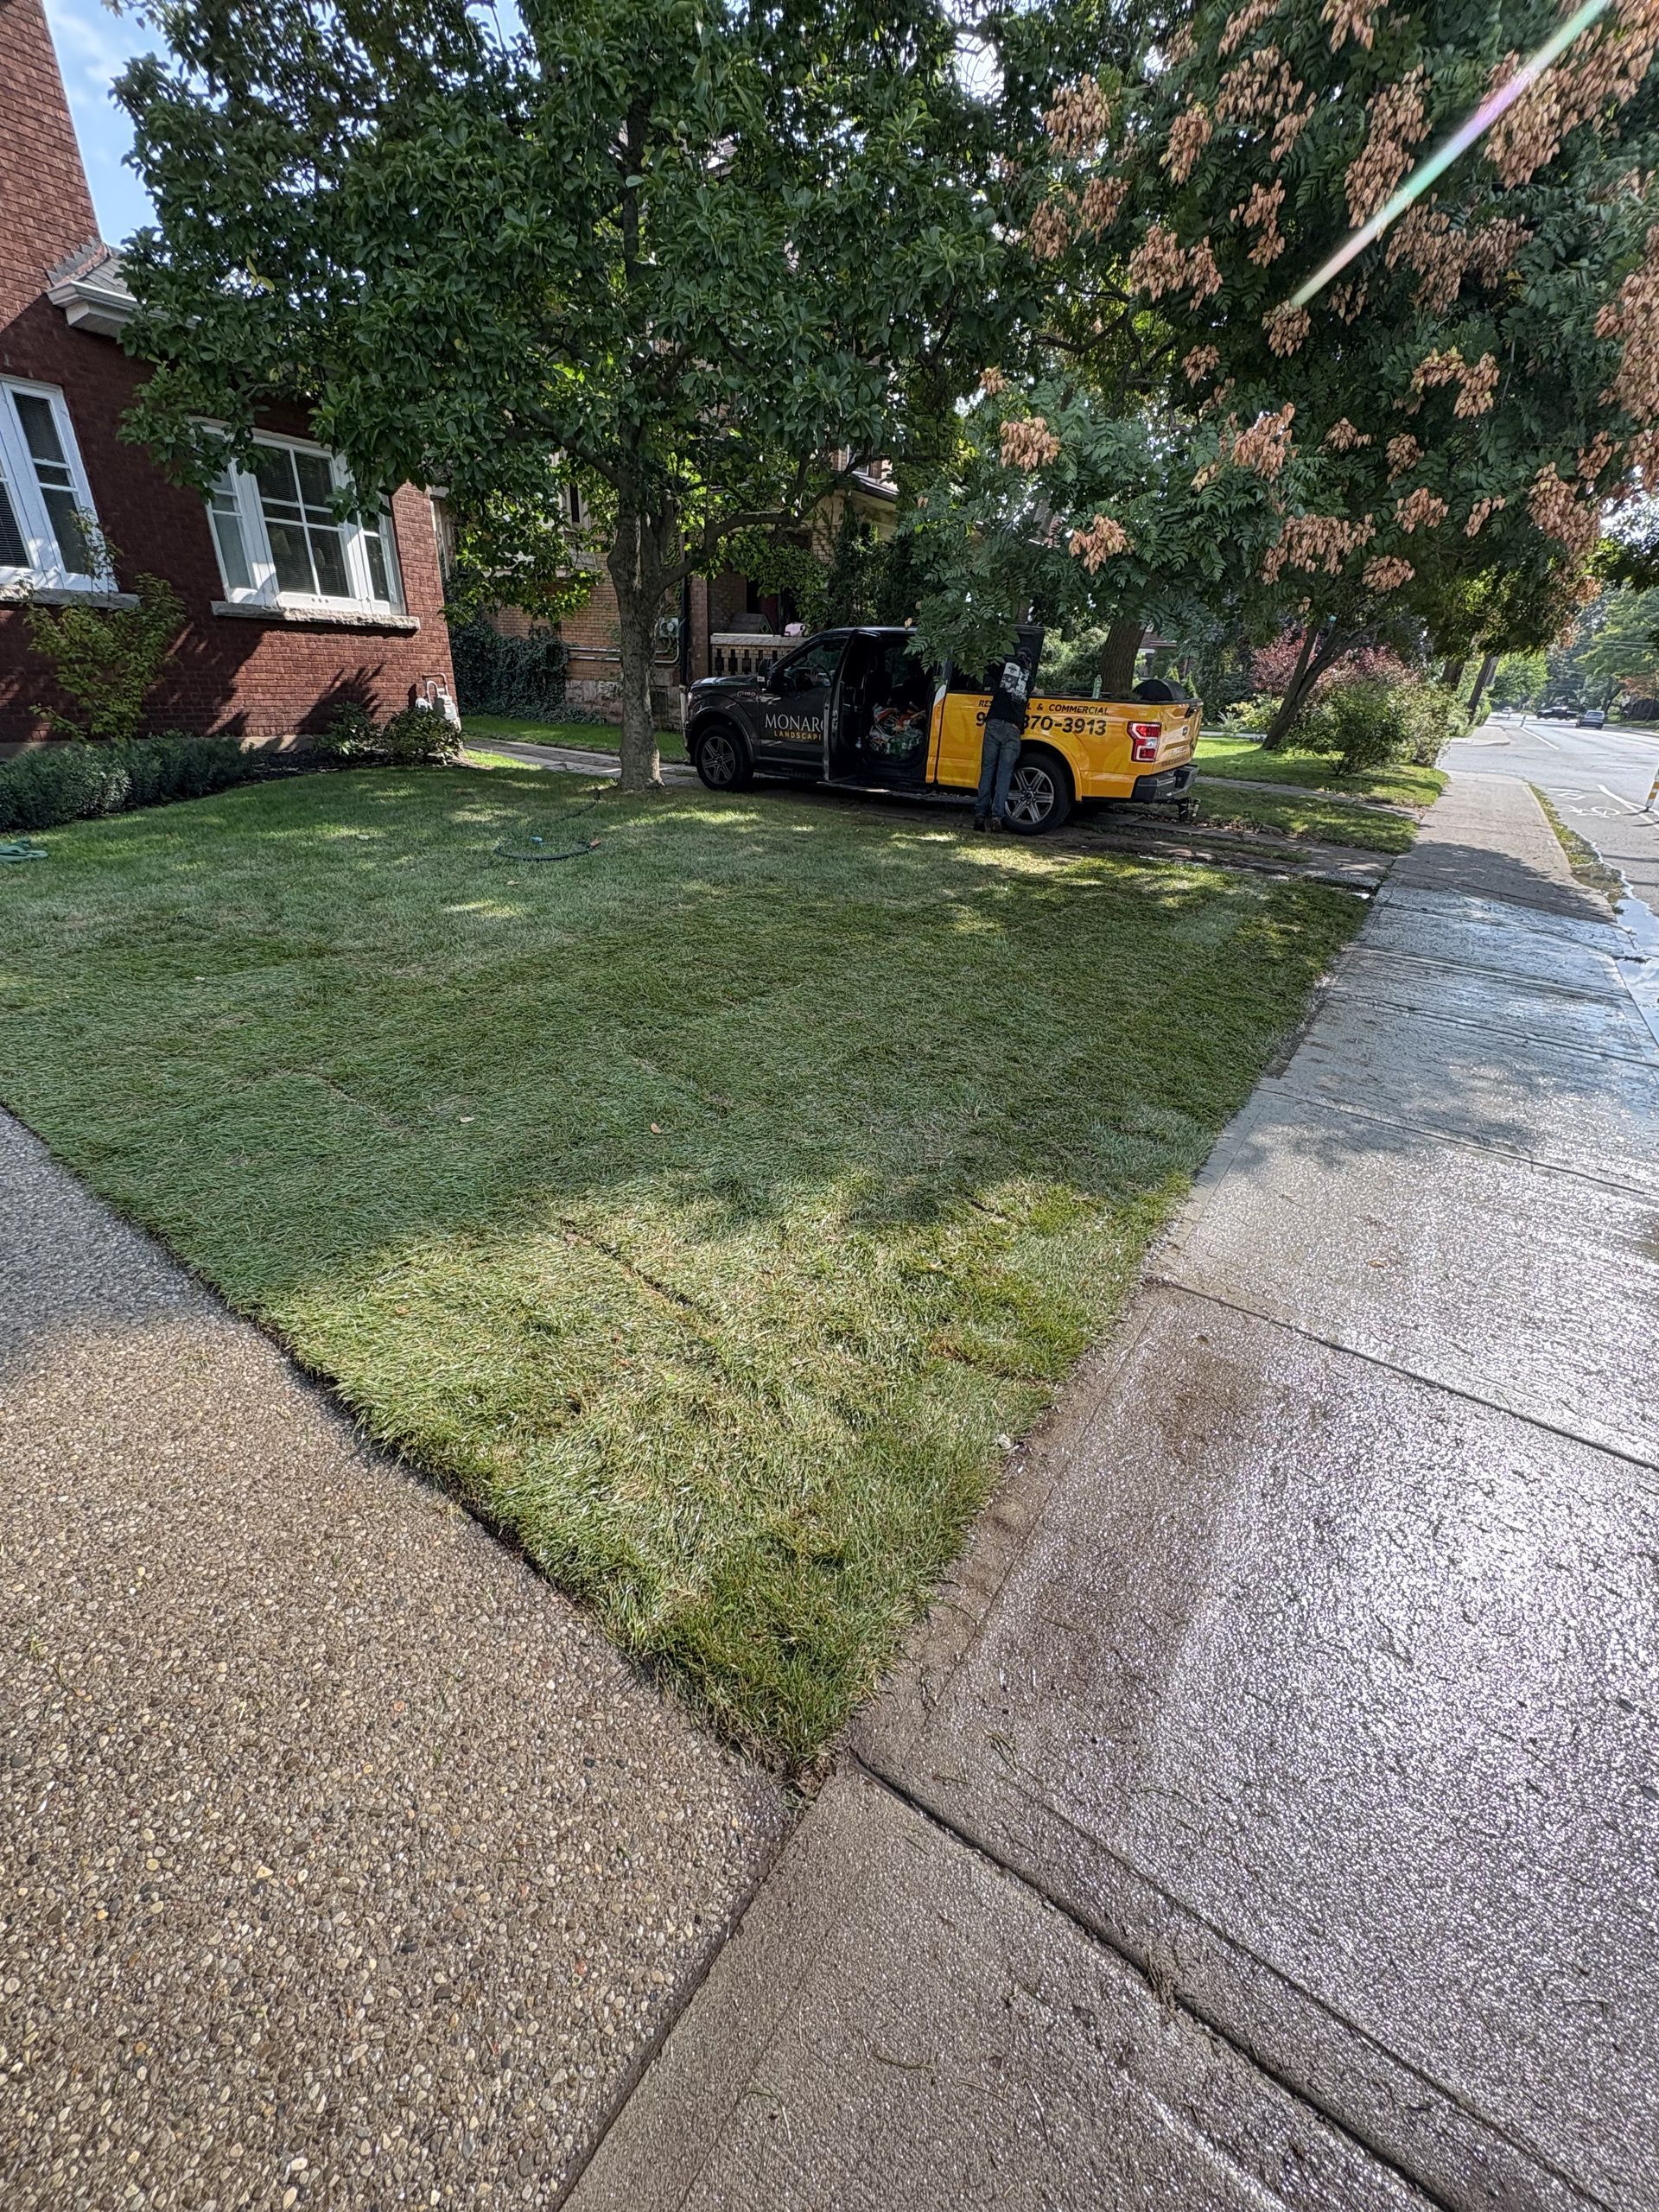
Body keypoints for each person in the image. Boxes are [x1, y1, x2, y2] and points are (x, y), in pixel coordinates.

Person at [975, 645, 1033, 830]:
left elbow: (988, 667)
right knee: (1004, 774)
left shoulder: (1005, 666)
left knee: (987, 771)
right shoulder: (1029, 680)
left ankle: (979, 816)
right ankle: (997, 817)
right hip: (1013, 728)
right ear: (1029, 663)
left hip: (994, 723)